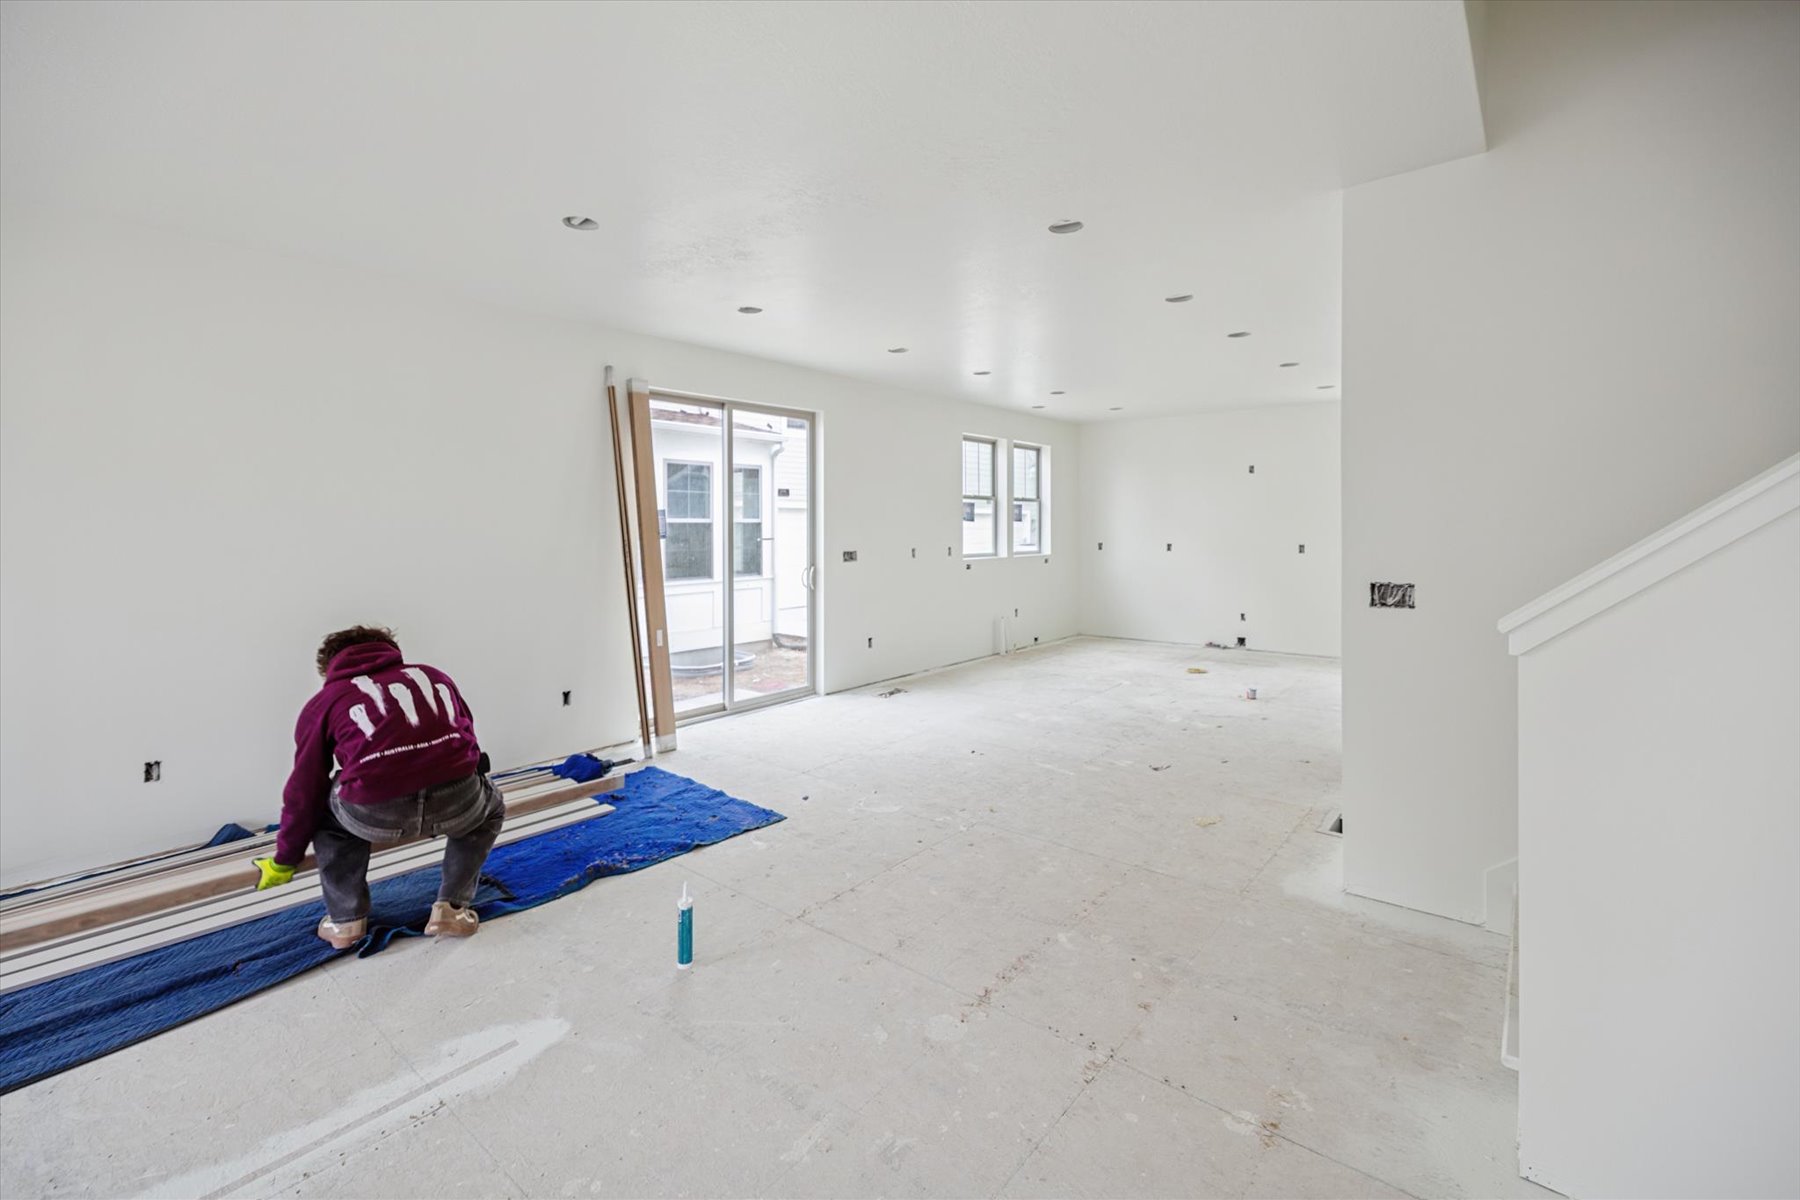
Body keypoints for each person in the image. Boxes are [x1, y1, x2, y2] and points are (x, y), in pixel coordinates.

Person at [252, 625, 504, 948]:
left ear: (329, 667)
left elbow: (305, 789)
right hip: (457, 801)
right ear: (390, 651)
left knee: (327, 817)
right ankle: (452, 909)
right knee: (490, 808)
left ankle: (345, 922)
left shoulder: (325, 702)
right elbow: (466, 740)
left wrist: (285, 858)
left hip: (376, 814)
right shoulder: (434, 677)